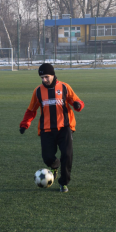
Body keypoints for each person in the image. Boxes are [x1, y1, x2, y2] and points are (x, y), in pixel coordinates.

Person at [19, 63, 85, 193]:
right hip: (46, 129)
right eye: (42, 77)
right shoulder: (38, 91)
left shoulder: (64, 87)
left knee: (67, 154)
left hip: (65, 128)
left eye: (46, 77)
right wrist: (24, 124)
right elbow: (31, 110)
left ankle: (63, 183)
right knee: (47, 157)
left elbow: (77, 102)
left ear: (53, 75)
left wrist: (77, 105)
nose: (44, 80)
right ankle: (54, 165)